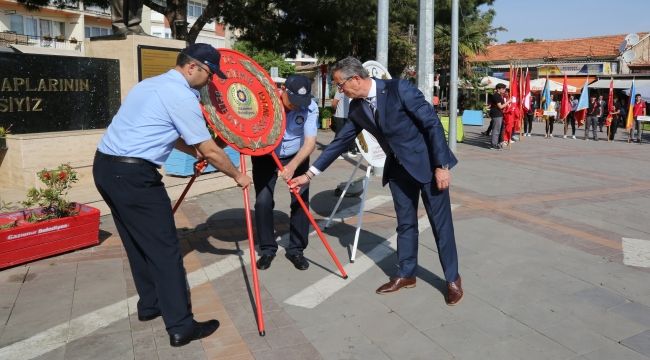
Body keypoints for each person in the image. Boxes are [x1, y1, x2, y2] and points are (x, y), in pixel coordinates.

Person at [93, 43, 252, 347]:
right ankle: (181, 326)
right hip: (135, 177)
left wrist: (194, 150)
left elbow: (169, 133)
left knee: (136, 241)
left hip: (105, 168)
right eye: (209, 74)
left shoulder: (150, 84)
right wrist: (237, 175)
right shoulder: (180, 95)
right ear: (193, 67)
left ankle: (150, 305)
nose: (209, 81)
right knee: (166, 251)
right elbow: (209, 149)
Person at [290, 57, 463, 306]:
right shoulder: (357, 108)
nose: (340, 91)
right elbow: (338, 143)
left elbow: (432, 124)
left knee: (440, 225)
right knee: (405, 224)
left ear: (356, 79)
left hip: (428, 166)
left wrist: (441, 166)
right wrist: (309, 175)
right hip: (398, 171)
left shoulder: (399, 89)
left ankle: (452, 279)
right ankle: (406, 274)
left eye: (340, 85)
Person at [254, 75, 318, 271]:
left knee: (300, 200)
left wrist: (292, 166)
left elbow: (309, 143)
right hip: (266, 155)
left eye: (302, 103)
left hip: (296, 156)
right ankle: (267, 249)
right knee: (263, 202)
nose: (298, 106)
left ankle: (296, 249)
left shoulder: (310, 107)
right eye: (294, 102)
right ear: (282, 91)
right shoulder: (266, 103)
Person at [330, 87, 357, 157]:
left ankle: (343, 151)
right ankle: (341, 152)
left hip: (345, 115)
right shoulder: (344, 90)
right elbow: (334, 103)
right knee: (343, 134)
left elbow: (334, 104)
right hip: (344, 116)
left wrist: (334, 111)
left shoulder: (343, 90)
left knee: (343, 134)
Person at [487, 84, 510, 149]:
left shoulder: (499, 95)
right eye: (503, 89)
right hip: (496, 114)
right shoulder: (496, 95)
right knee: (496, 130)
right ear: (498, 89)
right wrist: (508, 102)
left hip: (499, 114)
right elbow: (500, 106)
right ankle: (493, 145)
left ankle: (498, 142)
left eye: (504, 89)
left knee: (500, 129)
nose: (504, 90)